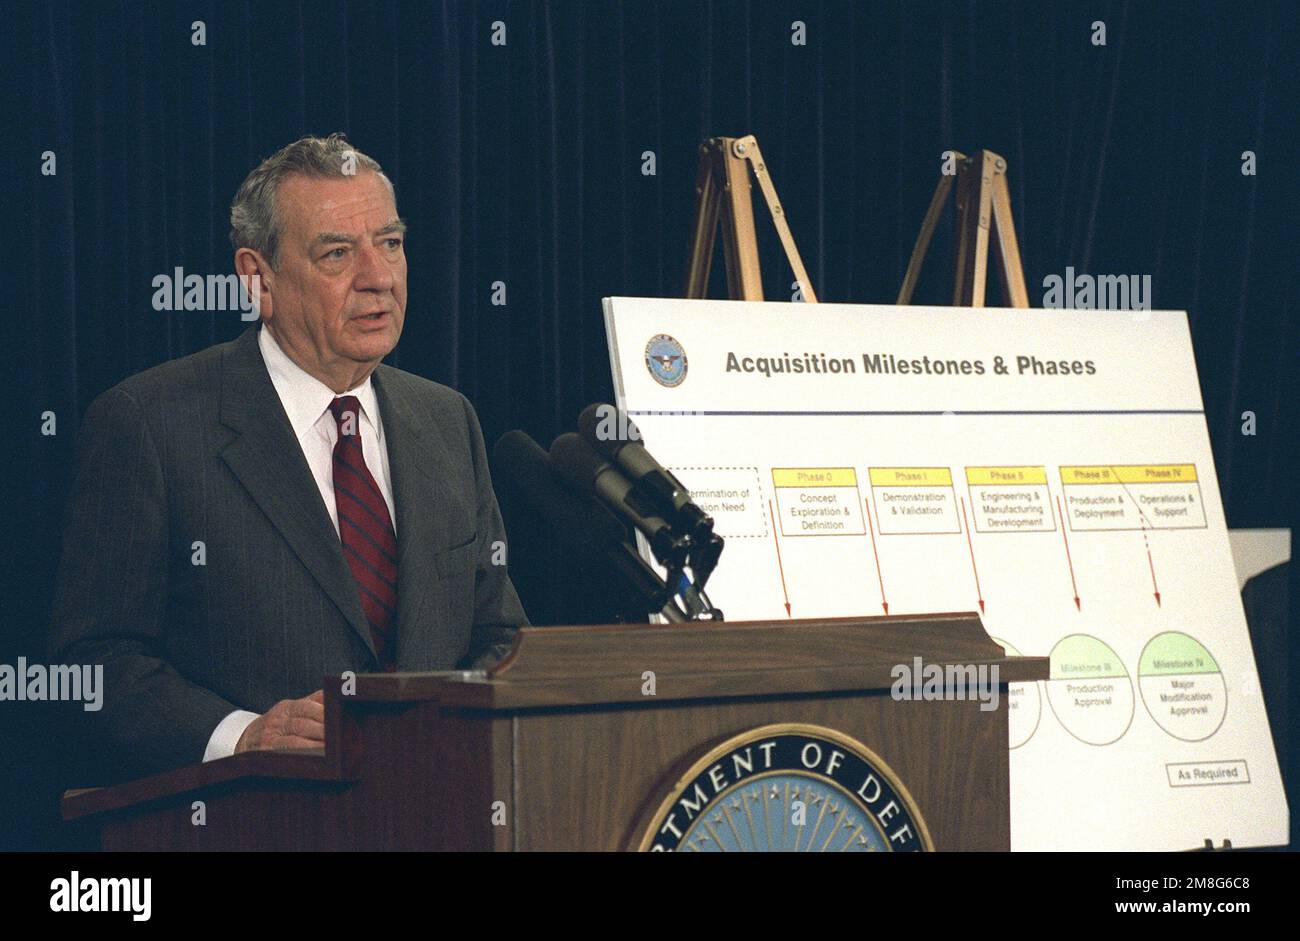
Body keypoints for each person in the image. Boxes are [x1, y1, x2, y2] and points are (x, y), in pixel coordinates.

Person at [47, 133, 527, 780]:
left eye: (390, 243)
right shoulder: (152, 425)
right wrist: (241, 735)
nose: (378, 277)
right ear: (257, 277)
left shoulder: (447, 420)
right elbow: (93, 663)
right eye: (337, 253)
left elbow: (501, 638)